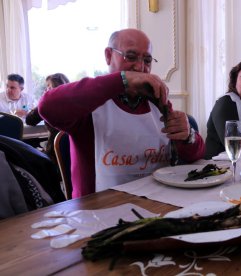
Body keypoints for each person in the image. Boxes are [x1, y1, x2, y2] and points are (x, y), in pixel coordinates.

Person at [38, 28, 205, 198]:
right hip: (97, 211)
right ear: (109, 56)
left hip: (157, 204)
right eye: (130, 57)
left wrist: (188, 136)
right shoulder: (89, 101)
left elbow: (196, 155)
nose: (140, 67)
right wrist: (123, 80)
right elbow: (46, 106)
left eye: (147, 60)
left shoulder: (157, 100)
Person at [26, 73, 70, 164]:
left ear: (54, 87)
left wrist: (43, 99)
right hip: (76, 149)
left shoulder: (47, 103)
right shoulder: (75, 101)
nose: (46, 89)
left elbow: (29, 120)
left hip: (55, 152)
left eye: (48, 86)